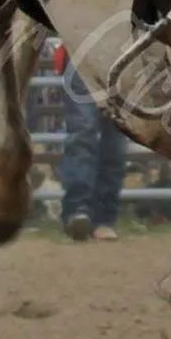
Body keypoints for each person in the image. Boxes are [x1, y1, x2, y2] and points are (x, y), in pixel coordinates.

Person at [55, 46, 128, 241]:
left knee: (111, 139)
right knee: (87, 133)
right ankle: (84, 212)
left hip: (118, 51)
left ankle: (87, 213)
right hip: (88, 49)